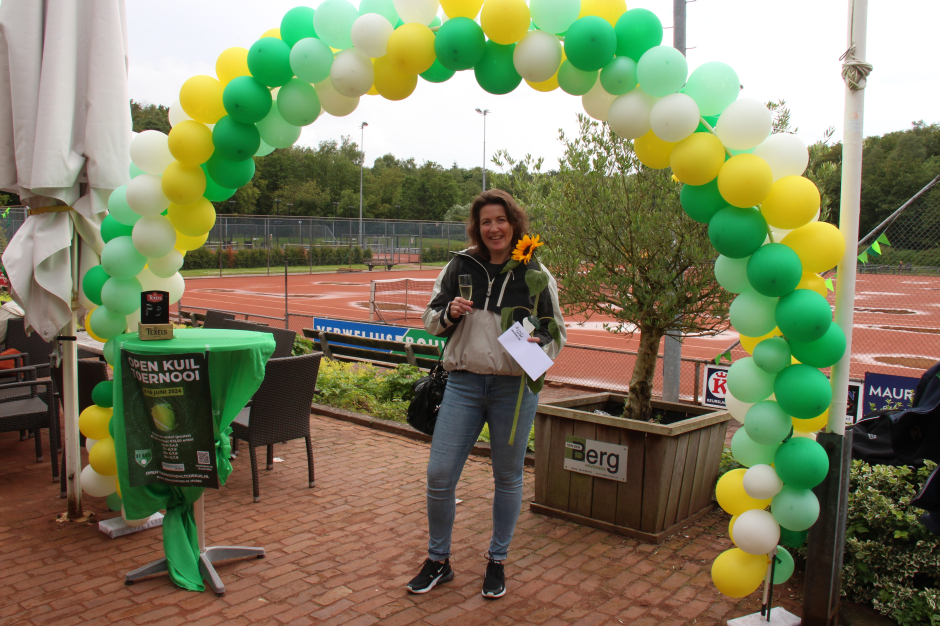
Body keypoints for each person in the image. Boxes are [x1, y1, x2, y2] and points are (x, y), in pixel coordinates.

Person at [406, 189, 566, 599]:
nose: (494, 228)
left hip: (513, 389)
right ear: (477, 228)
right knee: (440, 474)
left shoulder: (534, 272)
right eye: (485, 222)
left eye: (500, 220)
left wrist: (541, 342)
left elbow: (556, 333)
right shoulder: (460, 264)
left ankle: (497, 561)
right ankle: (438, 560)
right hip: (463, 382)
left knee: (508, 477)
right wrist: (449, 313)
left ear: (514, 224)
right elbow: (430, 319)